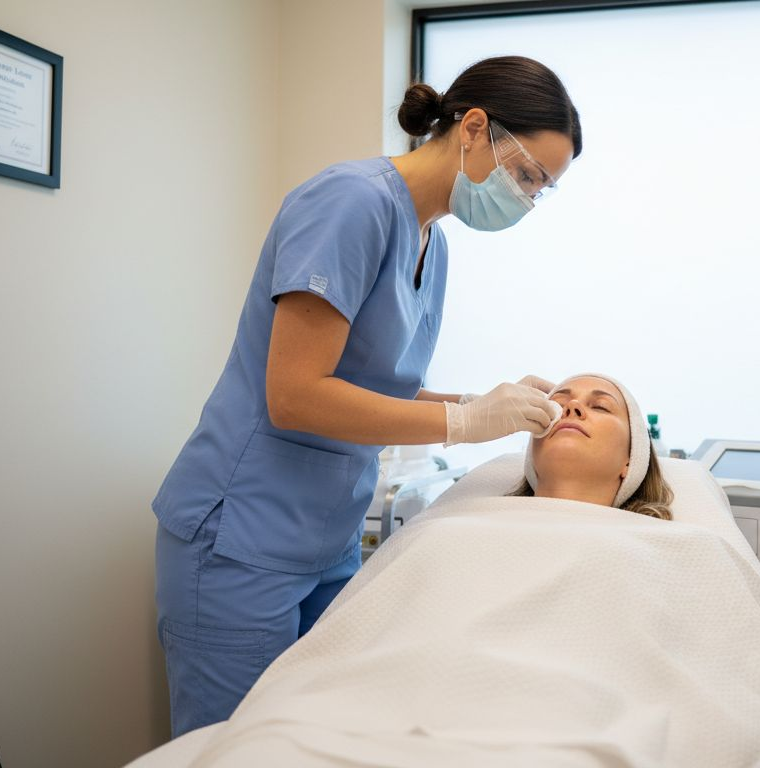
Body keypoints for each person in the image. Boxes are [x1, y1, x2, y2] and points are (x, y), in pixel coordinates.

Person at [150, 55, 582, 737]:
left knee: (316, 740)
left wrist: (484, 404)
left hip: (328, 540)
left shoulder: (431, 244)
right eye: (526, 174)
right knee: (233, 750)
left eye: (541, 189)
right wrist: (467, 421)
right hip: (242, 539)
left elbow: (380, 391)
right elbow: (295, 394)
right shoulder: (352, 202)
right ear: (474, 127)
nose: (526, 198)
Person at [512, 374, 674, 520]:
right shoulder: (488, 519)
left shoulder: (668, 546)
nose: (572, 406)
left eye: (600, 406)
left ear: (631, 459)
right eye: (558, 405)